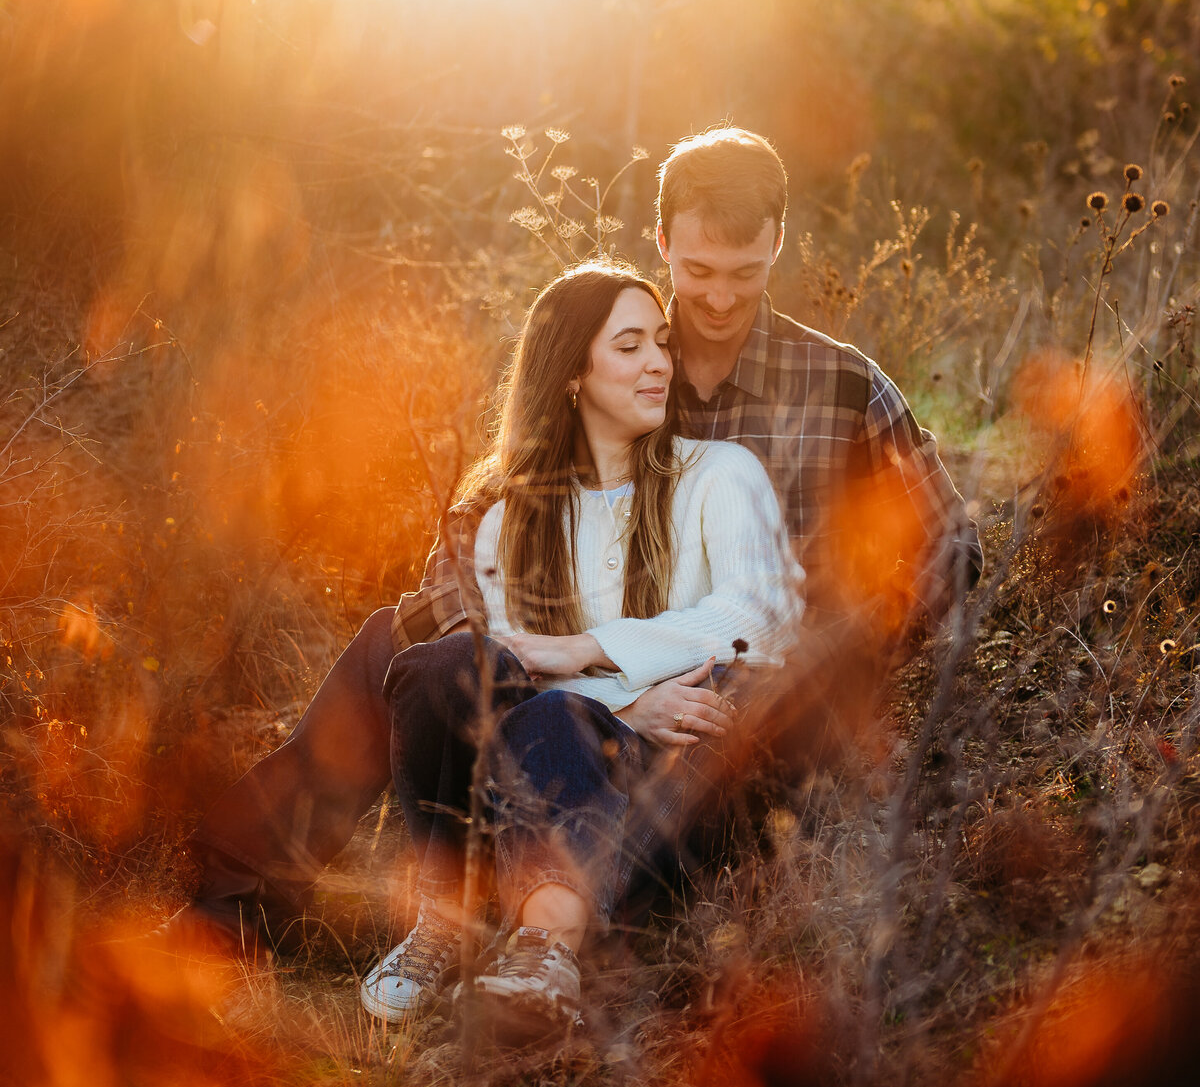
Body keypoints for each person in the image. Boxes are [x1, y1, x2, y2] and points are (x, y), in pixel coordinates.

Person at [182, 127, 978, 960]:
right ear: (662, 240)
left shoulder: (845, 387)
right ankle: (234, 902)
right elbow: (466, 555)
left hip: (724, 708)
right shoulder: (608, 350)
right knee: (401, 639)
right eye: (698, 271)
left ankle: (532, 921)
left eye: (745, 273)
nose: (716, 299)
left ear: (779, 239)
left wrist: (838, 656)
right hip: (569, 679)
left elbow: (951, 550)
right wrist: (588, 676)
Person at [353, 262, 798, 1037]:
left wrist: (586, 648)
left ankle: (545, 953)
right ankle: (448, 924)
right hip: (519, 798)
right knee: (441, 669)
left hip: (658, 805)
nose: (659, 362)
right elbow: (499, 683)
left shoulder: (720, 475)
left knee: (555, 707)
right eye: (629, 346)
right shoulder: (510, 520)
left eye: (660, 342)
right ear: (570, 375)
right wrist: (628, 700)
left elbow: (760, 619)